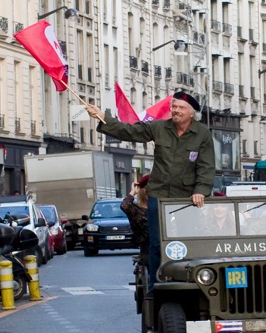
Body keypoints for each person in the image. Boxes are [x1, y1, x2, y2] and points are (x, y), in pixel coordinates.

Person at [86, 91, 216, 296]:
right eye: (174, 106)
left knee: (187, 239)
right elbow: (129, 131)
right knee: (157, 242)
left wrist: (200, 191)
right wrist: (103, 116)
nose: (175, 111)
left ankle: (190, 281)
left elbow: (207, 166)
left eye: (181, 108)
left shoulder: (202, 134)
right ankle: (156, 287)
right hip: (159, 193)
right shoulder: (159, 127)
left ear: (192, 113)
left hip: (186, 197)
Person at [121, 175, 150, 256]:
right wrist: (133, 192)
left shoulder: (159, 207)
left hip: (165, 246)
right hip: (146, 248)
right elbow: (124, 206)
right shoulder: (136, 209)